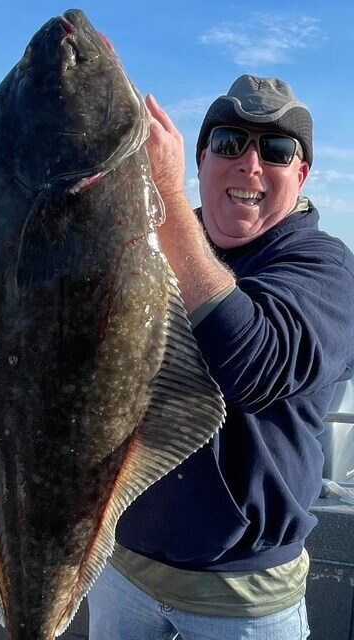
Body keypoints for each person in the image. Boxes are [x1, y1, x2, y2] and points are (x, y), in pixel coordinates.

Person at [87, 74, 354, 639]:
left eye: (277, 150)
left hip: (244, 597)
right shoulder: (147, 250)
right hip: (120, 567)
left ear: (300, 174)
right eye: (231, 143)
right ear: (203, 160)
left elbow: (254, 363)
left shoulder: (324, 267)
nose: (251, 163)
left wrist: (165, 199)